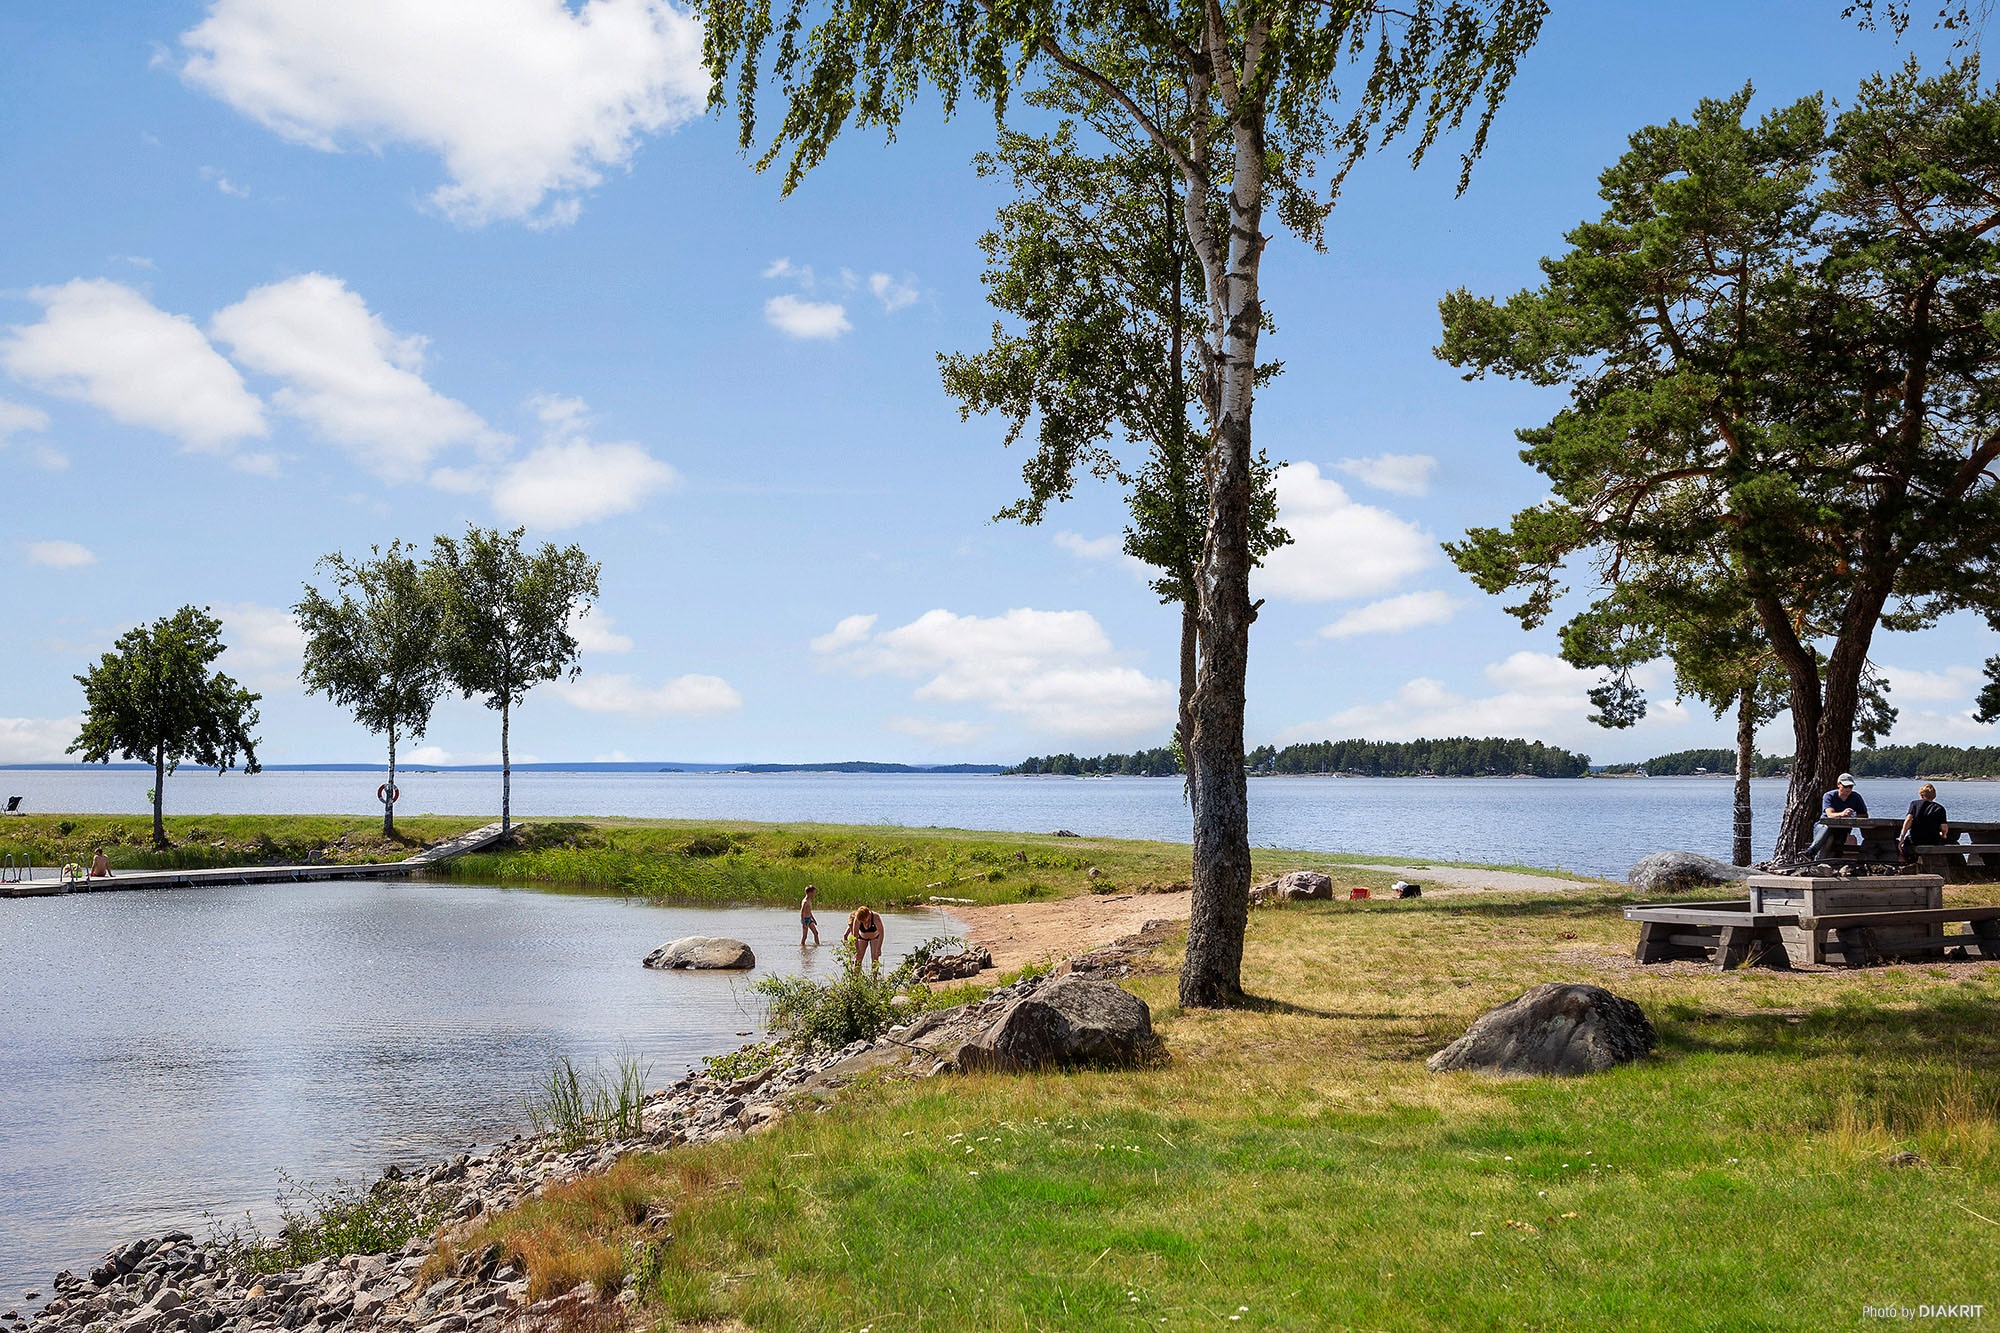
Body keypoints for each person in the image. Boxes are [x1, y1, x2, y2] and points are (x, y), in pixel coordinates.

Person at [1810, 773, 1869, 859]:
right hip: (1822, 827)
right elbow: (1830, 814)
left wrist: (1853, 815)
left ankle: (1813, 856)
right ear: (1838, 784)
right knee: (1827, 833)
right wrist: (1842, 814)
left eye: (1850, 787)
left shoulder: (1856, 797)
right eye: (1845, 786)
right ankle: (1813, 854)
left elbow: (1865, 815)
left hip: (1842, 829)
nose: (1848, 789)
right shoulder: (1829, 796)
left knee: (1833, 840)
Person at [1899, 782, 1952, 862]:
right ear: (1934, 796)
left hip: (1915, 839)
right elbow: (1944, 828)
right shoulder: (1940, 808)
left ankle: (1902, 865)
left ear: (1921, 795)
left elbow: (1908, 820)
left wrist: (1902, 837)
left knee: (1902, 851)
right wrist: (1943, 835)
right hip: (1933, 840)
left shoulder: (1914, 804)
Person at [844, 904, 884, 970]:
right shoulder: (857, 919)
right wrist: (857, 949)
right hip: (862, 937)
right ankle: (855, 978)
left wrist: (879, 948)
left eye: (864, 920)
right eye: (861, 921)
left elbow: (881, 933)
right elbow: (855, 935)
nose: (864, 922)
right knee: (858, 957)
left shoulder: (876, 917)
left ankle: (874, 978)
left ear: (868, 915)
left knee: (875, 957)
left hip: (875, 937)